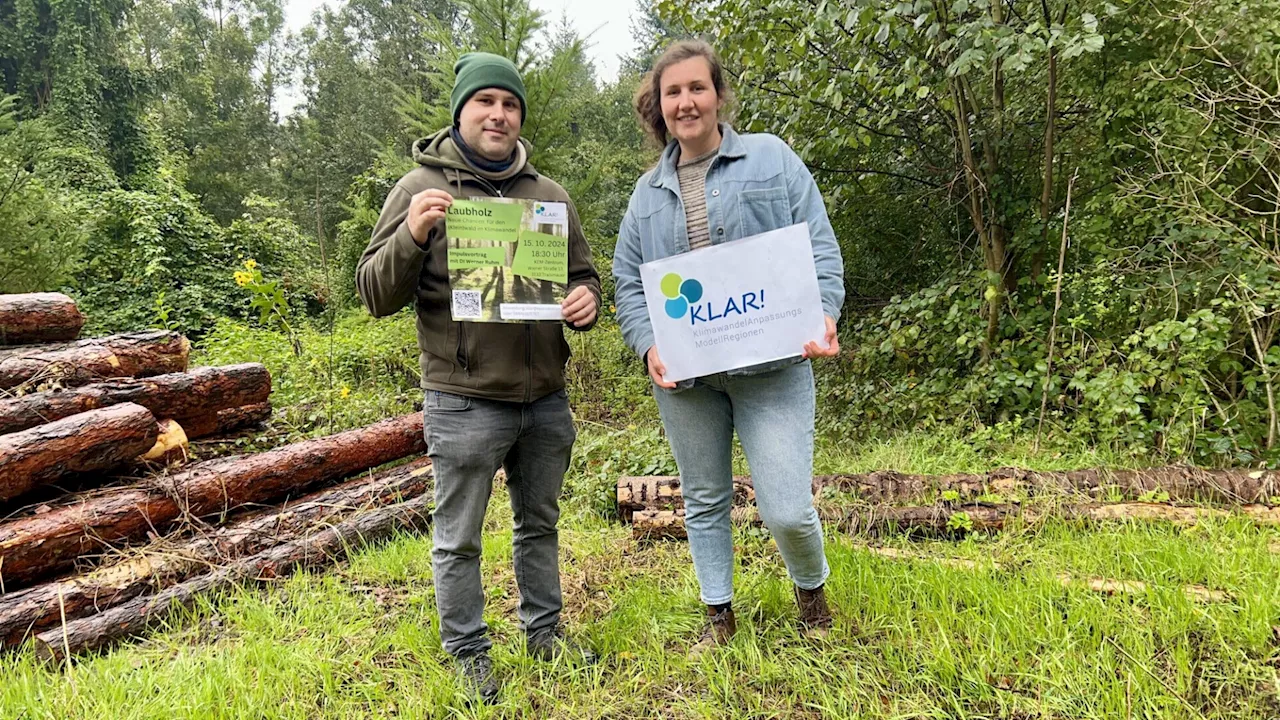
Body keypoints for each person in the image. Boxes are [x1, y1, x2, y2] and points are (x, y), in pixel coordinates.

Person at [356, 51, 602, 702]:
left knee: (539, 525)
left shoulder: (548, 197)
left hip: (545, 399)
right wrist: (411, 235)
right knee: (458, 538)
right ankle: (469, 654)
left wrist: (587, 304)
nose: (498, 114)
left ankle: (545, 637)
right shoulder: (419, 189)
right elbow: (373, 292)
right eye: (485, 102)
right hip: (463, 401)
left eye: (511, 104)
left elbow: (583, 277)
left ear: (520, 116)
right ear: (461, 111)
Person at [611, 40, 845, 655]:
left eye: (697, 88)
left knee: (789, 508)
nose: (686, 102)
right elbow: (628, 284)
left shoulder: (773, 159)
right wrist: (647, 347)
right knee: (705, 498)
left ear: (717, 95)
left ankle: (812, 594)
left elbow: (819, 245)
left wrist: (824, 313)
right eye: (673, 92)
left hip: (774, 368)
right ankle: (720, 614)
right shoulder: (644, 197)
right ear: (657, 108)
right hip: (689, 379)